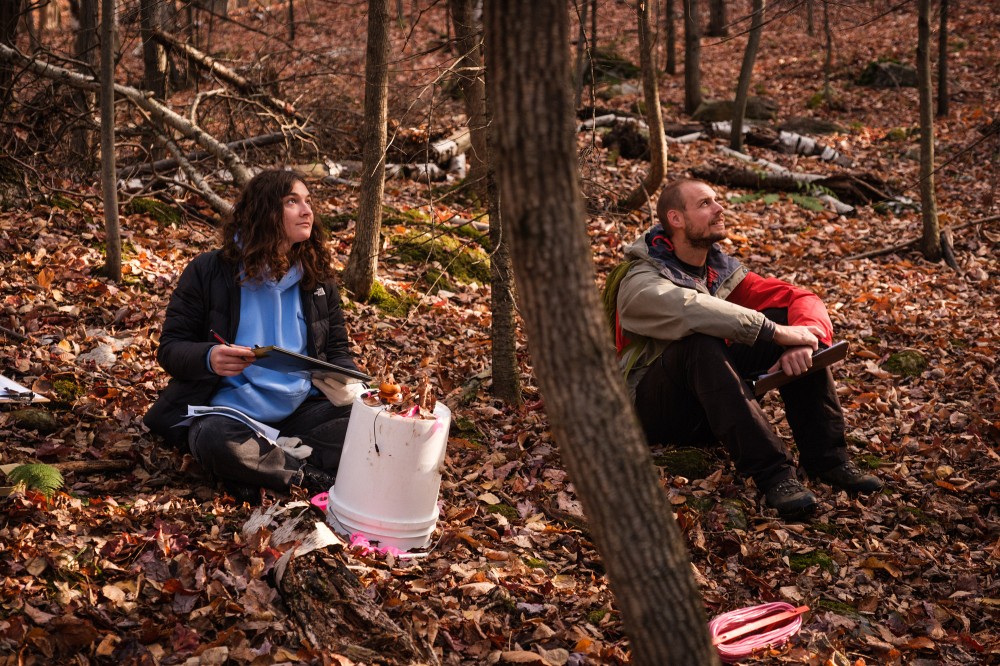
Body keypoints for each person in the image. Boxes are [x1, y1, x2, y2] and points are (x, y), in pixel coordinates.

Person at [614, 178, 882, 519]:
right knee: (700, 340)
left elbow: (798, 298)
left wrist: (804, 337)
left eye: (717, 200)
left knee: (789, 323)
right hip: (656, 413)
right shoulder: (641, 277)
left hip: (710, 403)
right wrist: (772, 332)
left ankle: (828, 460)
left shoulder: (719, 272)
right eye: (705, 204)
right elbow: (687, 307)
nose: (719, 208)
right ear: (676, 219)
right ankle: (774, 475)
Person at [144, 169, 365, 503]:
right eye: (293, 202)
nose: (307, 211)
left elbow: (337, 350)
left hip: (299, 413)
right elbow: (171, 350)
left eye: (308, 202)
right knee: (215, 440)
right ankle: (307, 477)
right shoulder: (208, 272)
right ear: (265, 211)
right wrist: (209, 358)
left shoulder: (317, 280)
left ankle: (262, 472)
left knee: (368, 421)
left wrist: (348, 383)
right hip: (229, 415)